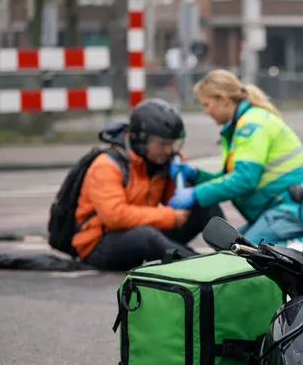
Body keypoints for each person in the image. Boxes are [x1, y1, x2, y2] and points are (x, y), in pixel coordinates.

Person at [168, 69, 303, 245]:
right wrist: (196, 175)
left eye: (207, 104)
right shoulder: (242, 124)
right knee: (234, 248)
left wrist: (195, 194)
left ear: (222, 99)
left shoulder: (251, 125)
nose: (206, 111)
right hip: (289, 205)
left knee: (247, 255)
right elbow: (232, 178)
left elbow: (244, 180)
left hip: (299, 206)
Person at [73, 99, 223, 271]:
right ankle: (205, 270)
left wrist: (181, 177)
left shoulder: (163, 158)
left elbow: (176, 202)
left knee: (203, 200)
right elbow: (114, 216)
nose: (169, 150)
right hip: (99, 244)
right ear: (141, 141)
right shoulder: (107, 165)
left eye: (172, 144)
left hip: (144, 232)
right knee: (145, 236)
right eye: (162, 144)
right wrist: (169, 217)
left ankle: (237, 256)